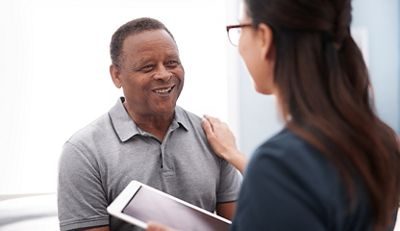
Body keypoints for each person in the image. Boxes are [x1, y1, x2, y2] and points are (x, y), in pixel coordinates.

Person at [147, 0, 400, 230]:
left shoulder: (279, 164)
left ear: (265, 38)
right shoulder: (383, 141)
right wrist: (234, 155)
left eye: (240, 28)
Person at [57, 17, 241, 231]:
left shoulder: (212, 136)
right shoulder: (83, 152)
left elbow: (238, 226)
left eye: (172, 63)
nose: (164, 74)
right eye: (148, 67)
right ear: (117, 75)